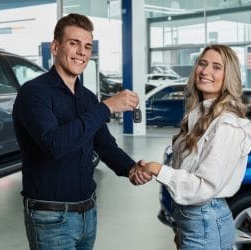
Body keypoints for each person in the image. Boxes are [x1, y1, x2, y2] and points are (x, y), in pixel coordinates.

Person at [12, 13, 151, 250]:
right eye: (73, 43)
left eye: (87, 46)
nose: (82, 52)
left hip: (88, 212)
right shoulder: (34, 93)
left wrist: (130, 168)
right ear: (55, 47)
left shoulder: (87, 98)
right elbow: (54, 145)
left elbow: (104, 144)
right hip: (51, 217)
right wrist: (106, 107)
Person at [141, 44, 251, 250]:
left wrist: (158, 169)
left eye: (216, 67)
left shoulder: (227, 124)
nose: (205, 71)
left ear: (229, 76)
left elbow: (204, 187)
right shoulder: (198, 114)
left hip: (206, 221)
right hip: (192, 220)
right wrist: (179, 224)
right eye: (202, 64)